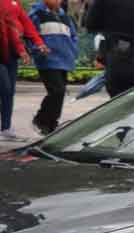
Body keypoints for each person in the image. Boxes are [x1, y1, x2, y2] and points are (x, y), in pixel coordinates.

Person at [27, 0, 76, 135]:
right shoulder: (37, 14)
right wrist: (37, 50)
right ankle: (41, 119)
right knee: (57, 91)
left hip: (64, 60)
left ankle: (51, 124)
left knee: (59, 93)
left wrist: (72, 52)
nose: (58, 1)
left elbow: (73, 36)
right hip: (47, 60)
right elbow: (29, 35)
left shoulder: (65, 16)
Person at [1, 0, 47, 141]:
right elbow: (9, 26)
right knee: (5, 88)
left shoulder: (14, 3)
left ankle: (6, 128)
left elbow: (26, 24)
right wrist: (21, 50)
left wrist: (39, 43)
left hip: (10, 54)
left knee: (9, 92)